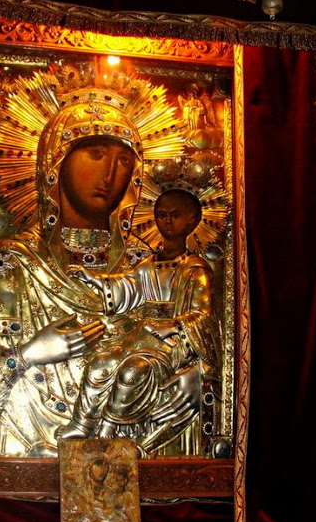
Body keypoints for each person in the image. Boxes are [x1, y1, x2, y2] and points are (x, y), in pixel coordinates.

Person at [0, 65, 185, 457]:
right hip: (23, 459)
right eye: (95, 154)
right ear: (56, 162)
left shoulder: (149, 267)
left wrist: (186, 376)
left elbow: (181, 355)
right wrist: (27, 355)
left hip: (130, 454)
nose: (110, 174)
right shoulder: (11, 263)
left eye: (124, 161)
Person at [59, 188, 220, 455]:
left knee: (134, 370)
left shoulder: (195, 269)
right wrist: (94, 279)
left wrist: (175, 325)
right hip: (142, 336)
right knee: (101, 362)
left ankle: (109, 429)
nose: (167, 221)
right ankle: (82, 424)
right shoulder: (148, 265)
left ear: (192, 221)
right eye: (162, 215)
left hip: (173, 344)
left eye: (175, 215)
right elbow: (127, 287)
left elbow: (203, 316)